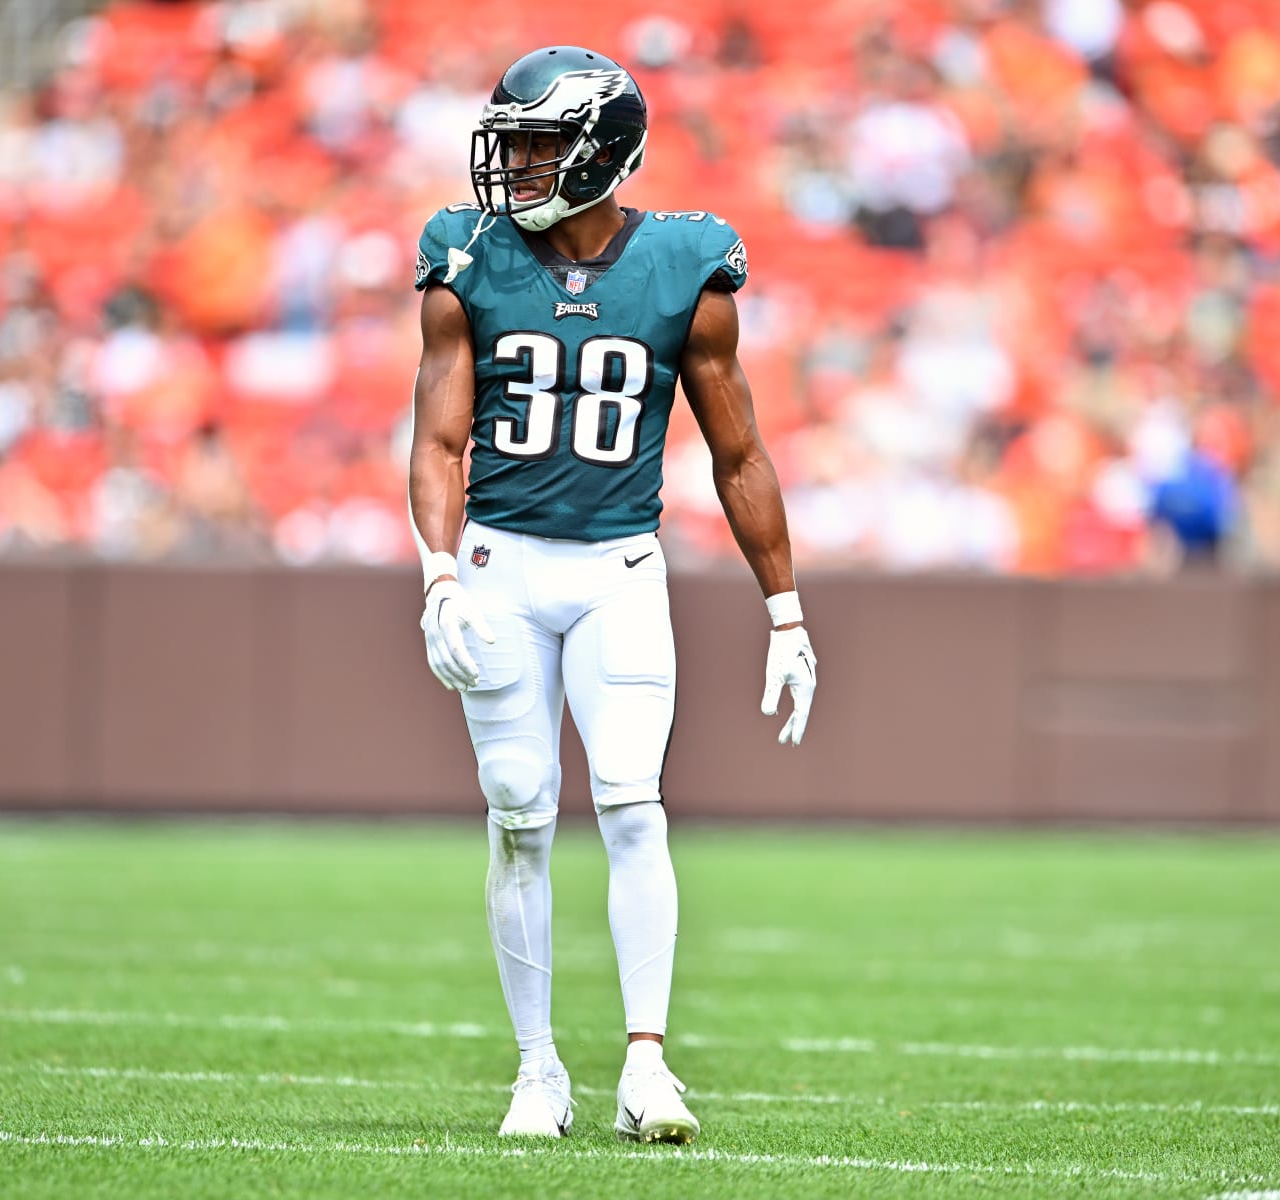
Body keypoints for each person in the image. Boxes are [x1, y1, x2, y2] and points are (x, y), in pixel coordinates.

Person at [407, 46, 818, 1145]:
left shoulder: (684, 263)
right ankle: (538, 1070)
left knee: (634, 805)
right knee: (520, 814)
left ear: (601, 151)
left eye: (541, 143)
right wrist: (438, 572)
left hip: (617, 570)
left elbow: (739, 454)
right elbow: (440, 436)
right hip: (497, 562)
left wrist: (785, 610)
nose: (518, 167)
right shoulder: (468, 256)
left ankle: (647, 1067)